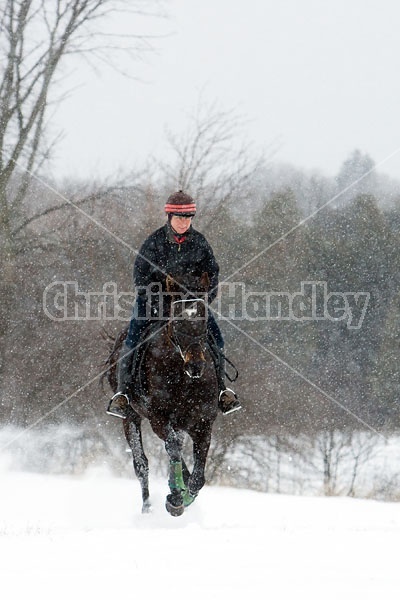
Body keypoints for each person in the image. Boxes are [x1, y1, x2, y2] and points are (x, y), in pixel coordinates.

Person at [107, 190, 241, 419]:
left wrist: (203, 301)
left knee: (216, 337)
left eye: (188, 218)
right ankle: (123, 394)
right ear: (169, 218)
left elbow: (213, 274)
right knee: (133, 336)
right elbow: (140, 278)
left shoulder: (199, 243)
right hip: (152, 303)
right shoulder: (154, 243)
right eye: (180, 218)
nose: (184, 222)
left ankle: (222, 392)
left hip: (190, 306)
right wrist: (159, 305)